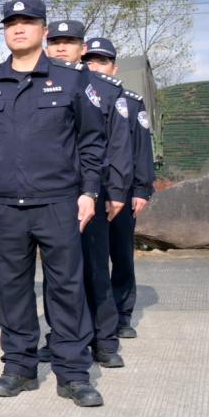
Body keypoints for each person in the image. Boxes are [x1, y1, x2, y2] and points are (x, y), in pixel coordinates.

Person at [0, 0, 107, 407]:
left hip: (59, 202)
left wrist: (88, 192)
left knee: (65, 289)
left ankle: (73, 372)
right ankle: (18, 368)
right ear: (5, 32)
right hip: (5, 207)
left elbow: (92, 142)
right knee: (12, 291)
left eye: (28, 22)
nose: (19, 28)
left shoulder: (71, 80)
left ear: (43, 30)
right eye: (12, 23)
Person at [44, 21, 132, 369]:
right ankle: (59, 339)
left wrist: (117, 190)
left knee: (95, 269)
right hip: (52, 195)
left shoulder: (103, 89)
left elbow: (119, 145)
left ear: (82, 48)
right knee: (59, 275)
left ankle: (104, 340)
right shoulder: (39, 84)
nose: (62, 48)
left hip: (93, 193)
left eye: (69, 42)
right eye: (56, 42)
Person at [82, 37, 156, 339]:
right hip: (89, 190)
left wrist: (141, 189)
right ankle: (90, 316)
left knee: (121, 255)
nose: (95, 66)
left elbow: (140, 150)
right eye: (90, 60)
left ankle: (122, 314)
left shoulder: (130, 101)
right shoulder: (79, 96)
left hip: (122, 192)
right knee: (89, 258)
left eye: (102, 61)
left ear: (115, 67)